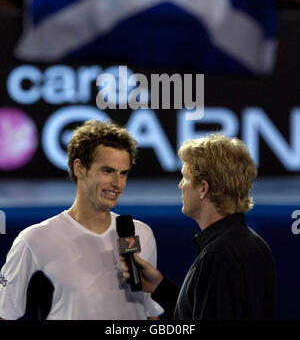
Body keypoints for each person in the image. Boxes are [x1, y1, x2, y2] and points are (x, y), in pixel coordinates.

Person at [0, 120, 163, 320]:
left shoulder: (141, 233)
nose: (117, 183)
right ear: (80, 168)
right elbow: (5, 312)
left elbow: (149, 313)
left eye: (123, 173)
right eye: (108, 171)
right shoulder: (34, 240)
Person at [121, 134, 277, 320]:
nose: (180, 185)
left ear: (203, 188)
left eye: (185, 177)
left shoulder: (219, 255)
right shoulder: (255, 244)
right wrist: (159, 287)